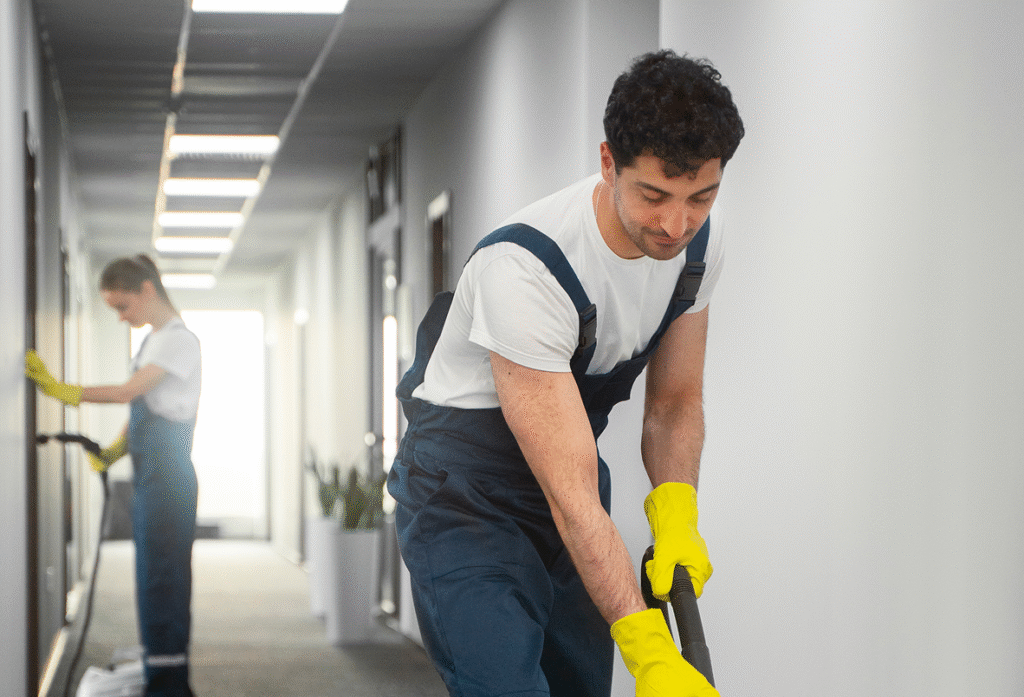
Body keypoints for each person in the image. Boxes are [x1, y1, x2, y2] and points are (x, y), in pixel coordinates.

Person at [387, 49, 744, 697]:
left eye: (701, 196)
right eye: (654, 195)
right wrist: (650, 653)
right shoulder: (526, 268)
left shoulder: (701, 245)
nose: (676, 225)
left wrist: (677, 513)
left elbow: (673, 404)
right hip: (464, 494)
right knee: (506, 685)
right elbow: (572, 498)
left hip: (566, 460)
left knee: (580, 684)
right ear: (608, 162)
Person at [26, 254, 201, 697]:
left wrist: (62, 391)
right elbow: (144, 408)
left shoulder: (179, 340)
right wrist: (112, 451)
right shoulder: (153, 342)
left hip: (169, 480)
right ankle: (159, 671)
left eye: (123, 306)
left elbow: (128, 392)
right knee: (151, 577)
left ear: (147, 289)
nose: (122, 317)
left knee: (164, 578)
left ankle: (169, 684)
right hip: (151, 477)